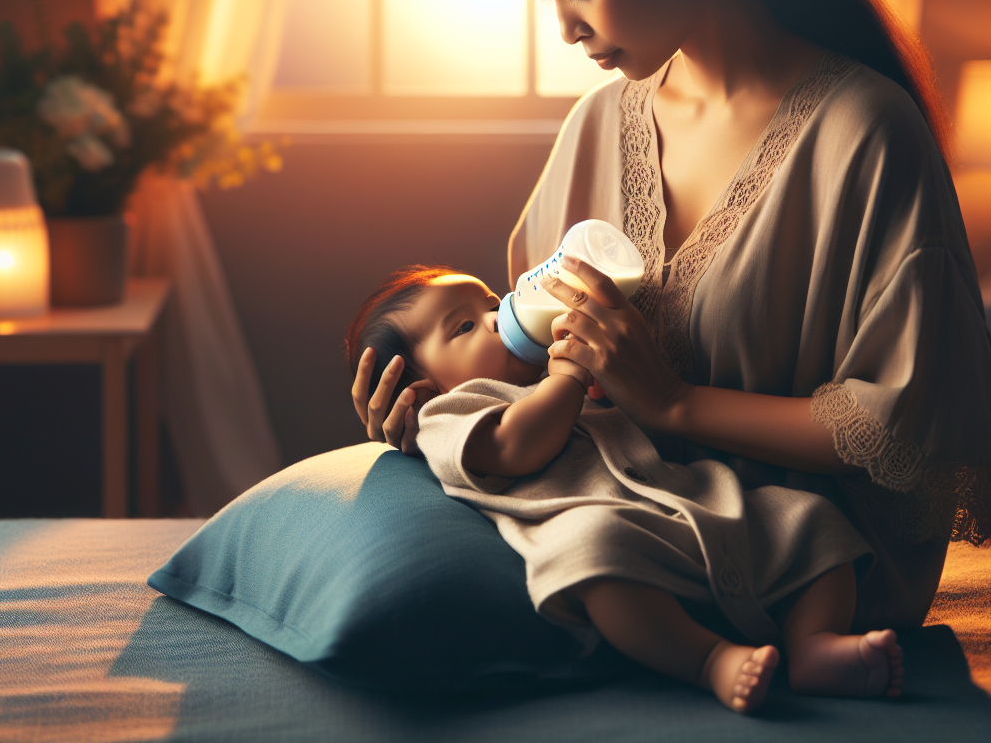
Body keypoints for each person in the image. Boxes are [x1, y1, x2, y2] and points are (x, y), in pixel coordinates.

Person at [354, 0, 990, 637]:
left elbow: (901, 428)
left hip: (821, 586)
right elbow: (534, 355)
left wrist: (674, 402)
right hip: (630, 551)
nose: (566, 28)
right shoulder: (596, 127)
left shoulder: (865, 135)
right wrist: (435, 405)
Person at [347, 265, 902, 713]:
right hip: (600, 527)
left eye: (492, 302)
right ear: (420, 387)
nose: (497, 319)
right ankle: (710, 661)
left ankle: (813, 644)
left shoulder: (557, 373)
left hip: (693, 506)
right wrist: (567, 378)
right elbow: (518, 447)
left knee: (812, 521)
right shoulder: (450, 415)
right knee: (595, 559)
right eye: (464, 327)